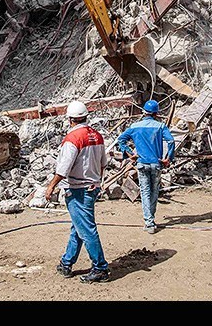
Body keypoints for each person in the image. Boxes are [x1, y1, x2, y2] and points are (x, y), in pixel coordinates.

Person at [44, 101, 110, 283]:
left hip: (78, 189)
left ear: (70, 119)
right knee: (78, 227)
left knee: (86, 229)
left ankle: (100, 268)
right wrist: (96, 181)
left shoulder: (72, 139)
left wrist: (51, 186)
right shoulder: (97, 136)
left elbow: (63, 168)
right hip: (92, 187)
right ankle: (67, 262)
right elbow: (103, 163)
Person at [117, 99, 175, 234]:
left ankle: (149, 222)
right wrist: (168, 158)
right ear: (156, 113)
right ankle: (151, 219)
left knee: (145, 192)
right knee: (154, 191)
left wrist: (130, 153)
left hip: (142, 163)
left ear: (144, 112)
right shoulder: (160, 126)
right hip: (156, 163)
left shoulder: (135, 126)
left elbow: (121, 140)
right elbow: (171, 141)